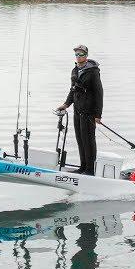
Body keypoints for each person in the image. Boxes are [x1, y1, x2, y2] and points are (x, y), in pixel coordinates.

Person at [57, 45, 103, 175]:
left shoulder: (93, 71)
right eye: (76, 54)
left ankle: (90, 170)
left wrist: (98, 114)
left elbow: (99, 93)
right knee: (80, 139)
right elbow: (73, 89)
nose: (78, 56)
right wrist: (66, 104)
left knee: (88, 140)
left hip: (88, 112)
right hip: (77, 111)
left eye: (81, 54)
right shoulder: (75, 70)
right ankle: (83, 167)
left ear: (86, 55)